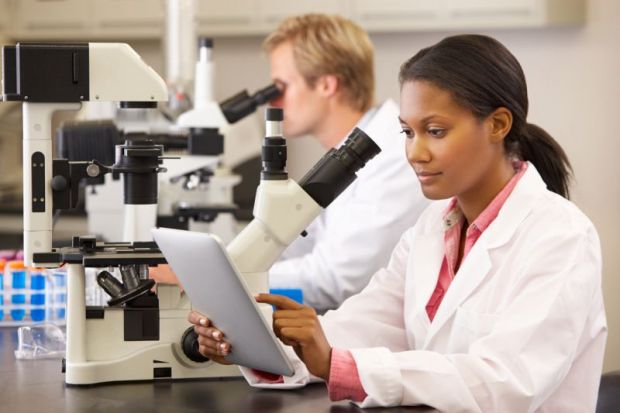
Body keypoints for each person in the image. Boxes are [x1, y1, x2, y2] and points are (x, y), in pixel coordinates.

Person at [188, 34, 608, 411]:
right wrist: (259, 342)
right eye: (408, 132)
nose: (415, 153)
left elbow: (505, 384)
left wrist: (340, 363)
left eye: (436, 131)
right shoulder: (432, 230)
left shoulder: (560, 236)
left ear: (497, 124)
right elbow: (363, 326)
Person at [152, 14, 428, 312]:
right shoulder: (346, 150)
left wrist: (202, 278)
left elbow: (335, 280)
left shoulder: (393, 154)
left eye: (280, 88)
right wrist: (213, 264)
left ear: (326, 85)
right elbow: (292, 248)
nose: (273, 102)